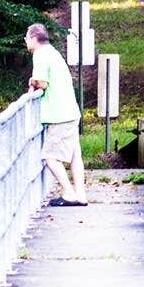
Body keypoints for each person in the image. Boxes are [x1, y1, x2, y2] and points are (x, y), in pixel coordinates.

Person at [25, 22, 87, 207]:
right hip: (71, 111)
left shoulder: (40, 54)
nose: (25, 41)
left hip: (59, 115)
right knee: (75, 155)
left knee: (50, 156)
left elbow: (42, 83)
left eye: (26, 37)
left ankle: (69, 193)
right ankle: (81, 195)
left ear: (34, 38)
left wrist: (33, 81)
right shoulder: (52, 52)